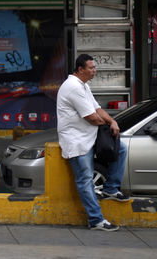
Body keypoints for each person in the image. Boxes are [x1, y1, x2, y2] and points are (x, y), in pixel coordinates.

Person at [56, 54, 129, 232]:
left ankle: (111, 188)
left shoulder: (83, 86)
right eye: (91, 68)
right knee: (85, 180)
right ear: (80, 69)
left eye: (95, 67)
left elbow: (97, 109)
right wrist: (105, 124)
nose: (94, 70)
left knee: (120, 149)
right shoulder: (73, 87)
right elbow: (92, 118)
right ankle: (96, 220)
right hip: (77, 141)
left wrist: (113, 122)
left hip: (88, 136)